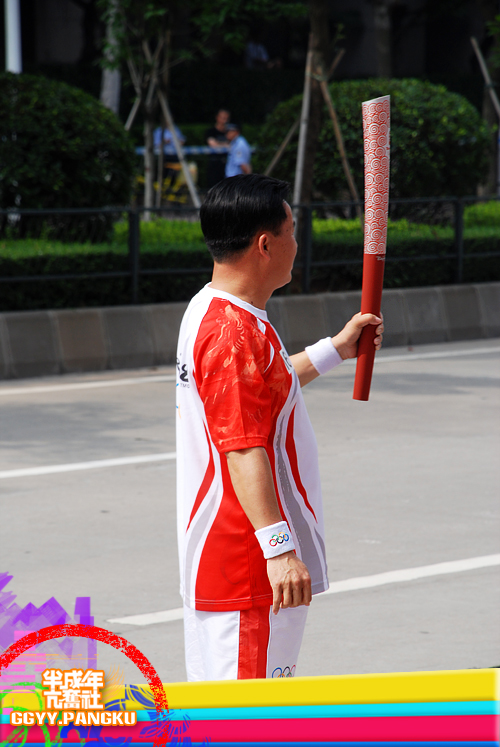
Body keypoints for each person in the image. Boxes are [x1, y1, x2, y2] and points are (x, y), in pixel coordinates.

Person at [176, 174, 383, 681]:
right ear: (265, 244)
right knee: (248, 718)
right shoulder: (232, 333)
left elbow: (264, 387)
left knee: (218, 714)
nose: (297, 243)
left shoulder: (215, 309)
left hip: (230, 564)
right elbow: (243, 448)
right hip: (248, 570)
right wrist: (280, 551)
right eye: (292, 231)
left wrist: (336, 349)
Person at [205, 109, 230, 188]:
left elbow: (232, 145)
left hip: (227, 164)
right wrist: (225, 145)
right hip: (214, 165)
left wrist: (219, 144)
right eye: (223, 118)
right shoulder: (211, 131)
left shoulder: (229, 132)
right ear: (217, 118)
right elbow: (213, 145)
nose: (224, 120)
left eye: (226, 118)